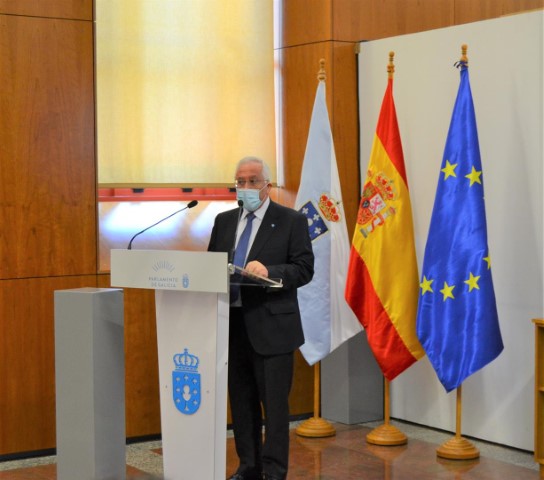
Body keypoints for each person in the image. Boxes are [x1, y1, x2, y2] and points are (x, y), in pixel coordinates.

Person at [208, 156, 314, 480]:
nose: (246, 187)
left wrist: (270, 271)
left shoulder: (290, 220)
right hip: (233, 327)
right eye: (240, 181)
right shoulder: (224, 221)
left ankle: (274, 471)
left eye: (253, 181)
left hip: (273, 328)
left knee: (275, 409)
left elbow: (304, 268)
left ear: (267, 185)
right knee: (241, 405)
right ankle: (248, 467)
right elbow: (212, 268)